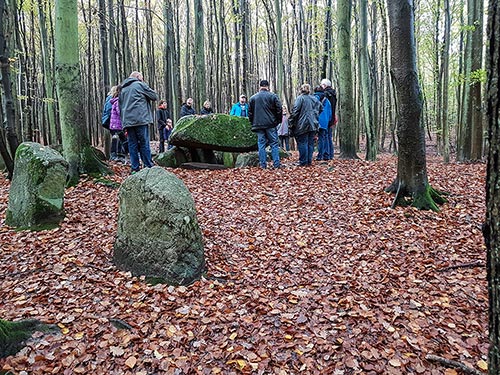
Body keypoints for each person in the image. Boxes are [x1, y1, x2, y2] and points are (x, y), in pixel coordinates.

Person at [119, 71, 158, 173]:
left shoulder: (123, 88)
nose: (143, 79)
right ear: (137, 77)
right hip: (140, 119)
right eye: (142, 77)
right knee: (144, 142)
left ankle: (135, 168)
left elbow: (120, 106)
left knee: (132, 144)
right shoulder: (140, 85)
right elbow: (154, 96)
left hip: (128, 121)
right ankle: (148, 166)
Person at [248, 80, 283, 169]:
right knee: (274, 144)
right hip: (271, 124)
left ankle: (263, 165)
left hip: (258, 125)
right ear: (268, 86)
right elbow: (279, 109)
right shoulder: (273, 96)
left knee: (261, 144)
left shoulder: (253, 98)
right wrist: (278, 120)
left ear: (260, 86)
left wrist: (253, 123)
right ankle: (276, 164)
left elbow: (250, 113)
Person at [289, 84, 322, 166]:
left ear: (301, 90)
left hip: (302, 125)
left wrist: (291, 122)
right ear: (309, 90)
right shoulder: (314, 99)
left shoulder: (300, 98)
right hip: (313, 125)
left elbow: (295, 111)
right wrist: (315, 116)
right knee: (310, 143)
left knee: (303, 143)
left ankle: (303, 162)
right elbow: (320, 108)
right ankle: (308, 161)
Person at [110, 85, 128, 162]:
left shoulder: (116, 101)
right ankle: (115, 155)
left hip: (116, 124)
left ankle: (118, 155)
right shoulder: (118, 101)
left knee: (121, 139)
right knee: (119, 139)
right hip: (117, 125)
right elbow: (120, 112)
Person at [320, 78, 338, 159]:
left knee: (325, 136)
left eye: (322, 85)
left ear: (325, 85)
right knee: (329, 137)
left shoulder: (326, 94)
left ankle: (326, 154)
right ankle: (330, 154)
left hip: (326, 117)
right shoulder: (333, 94)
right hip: (332, 117)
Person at [313, 86, 332, 161]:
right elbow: (330, 113)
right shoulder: (327, 100)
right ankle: (325, 155)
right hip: (324, 122)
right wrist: (328, 120)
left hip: (315, 121)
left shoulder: (313, 99)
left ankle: (314, 156)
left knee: (312, 138)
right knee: (323, 138)